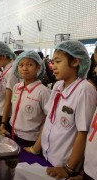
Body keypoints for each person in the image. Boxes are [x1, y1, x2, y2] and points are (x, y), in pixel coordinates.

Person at [25, 40, 97, 179]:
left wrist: (68, 168)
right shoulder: (58, 86)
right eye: (53, 62)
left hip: (63, 163)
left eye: (58, 62)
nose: (53, 66)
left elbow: (82, 133)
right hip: (46, 156)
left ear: (75, 62)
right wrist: (36, 148)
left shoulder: (85, 90)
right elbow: (49, 119)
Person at [9, 51, 50, 147]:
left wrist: (36, 146)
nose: (24, 68)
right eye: (21, 65)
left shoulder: (43, 92)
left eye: (30, 65)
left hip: (31, 139)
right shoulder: (16, 87)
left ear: (38, 67)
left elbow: (48, 120)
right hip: (13, 133)